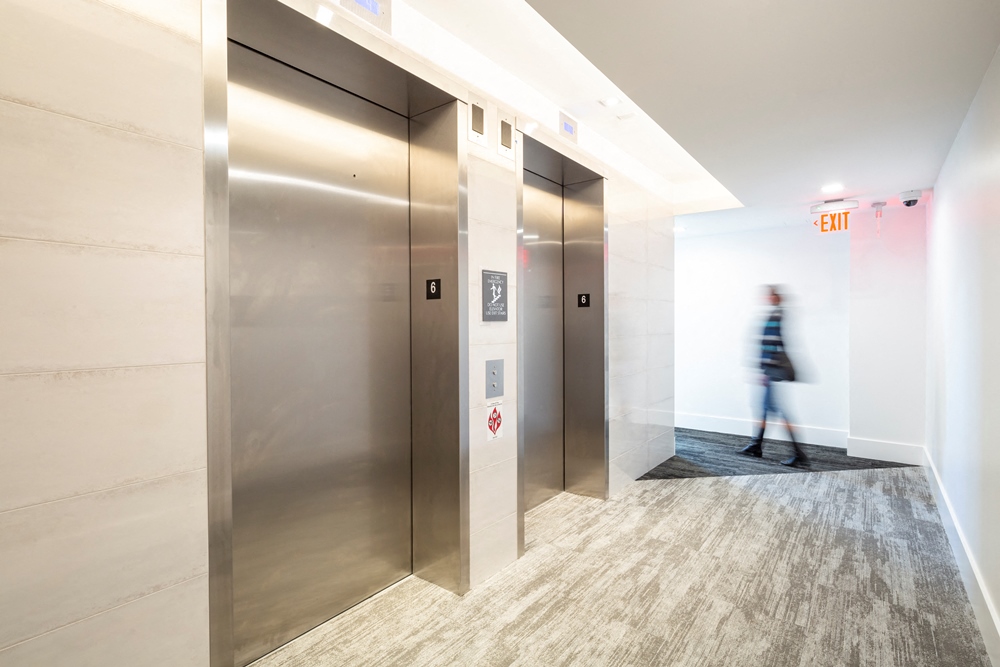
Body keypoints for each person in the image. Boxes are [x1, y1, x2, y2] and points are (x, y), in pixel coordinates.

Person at [739, 285, 807, 466]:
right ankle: (756, 445)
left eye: (769, 295)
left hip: (772, 371)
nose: (766, 298)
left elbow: (772, 344)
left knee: (777, 410)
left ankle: (799, 454)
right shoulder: (778, 314)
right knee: (764, 408)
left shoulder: (776, 316)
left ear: (774, 297)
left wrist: (765, 370)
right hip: (772, 370)